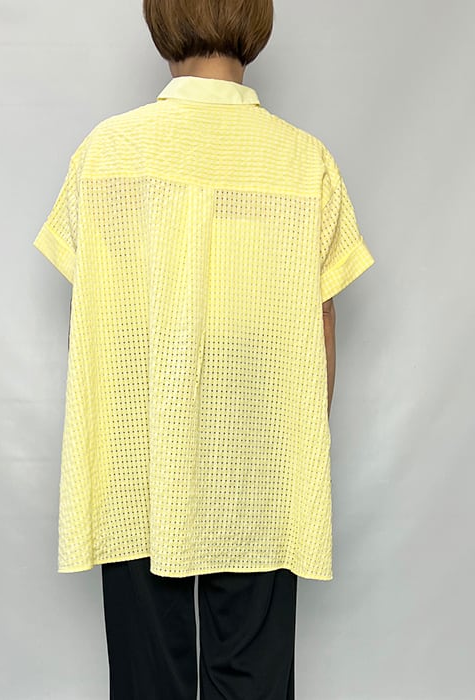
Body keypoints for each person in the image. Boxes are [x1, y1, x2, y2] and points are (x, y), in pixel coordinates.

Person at [33, 1, 375, 697]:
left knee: (145, 677)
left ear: (161, 20)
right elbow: (322, 326)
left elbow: (94, 317)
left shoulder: (106, 154)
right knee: (253, 676)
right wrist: (297, 448)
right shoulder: (302, 161)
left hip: (138, 456)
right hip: (261, 452)